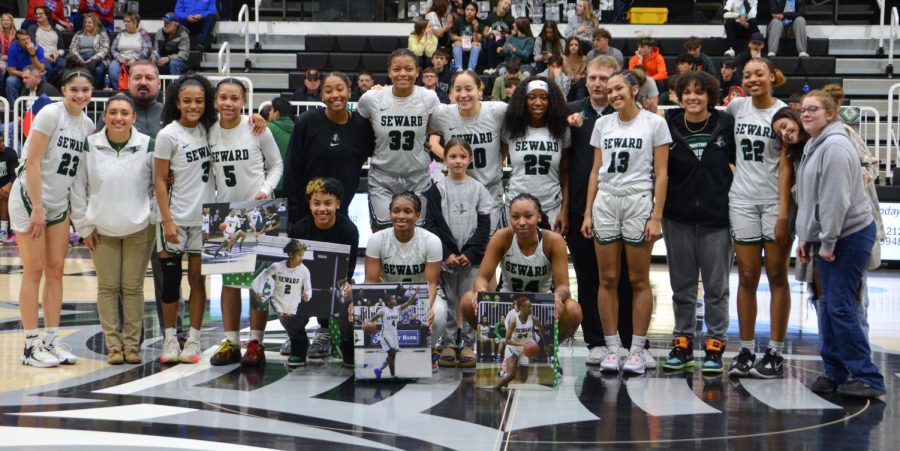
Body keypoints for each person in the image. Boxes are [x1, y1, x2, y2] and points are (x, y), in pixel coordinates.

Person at [795, 90, 886, 398]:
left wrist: (828, 242)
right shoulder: (813, 144)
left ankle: (868, 377)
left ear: (830, 114)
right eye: (803, 110)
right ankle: (835, 371)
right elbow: (810, 199)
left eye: (814, 110)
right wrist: (806, 236)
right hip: (827, 235)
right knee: (827, 306)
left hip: (847, 235)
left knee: (841, 306)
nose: (806, 114)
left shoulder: (834, 146)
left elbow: (835, 201)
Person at [582, 69, 671, 375]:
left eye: (618, 88)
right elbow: (595, 170)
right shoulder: (602, 124)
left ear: (635, 89)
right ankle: (611, 347)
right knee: (607, 278)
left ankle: (637, 349)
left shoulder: (655, 123)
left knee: (638, 279)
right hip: (606, 199)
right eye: (609, 91)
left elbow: (661, 173)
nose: (613, 95)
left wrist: (656, 215)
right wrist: (588, 212)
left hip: (638, 199)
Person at [12, 60, 95, 367]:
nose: (80, 95)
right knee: (33, 269)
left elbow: (75, 178)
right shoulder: (50, 114)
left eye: (85, 90)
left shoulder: (87, 125)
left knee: (56, 270)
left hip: (58, 205)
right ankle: (30, 345)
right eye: (74, 89)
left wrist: (78, 218)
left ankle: (51, 339)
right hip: (29, 200)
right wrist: (36, 208)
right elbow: (32, 162)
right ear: (63, 90)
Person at [69, 94, 155, 365]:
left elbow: (158, 185)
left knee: (132, 288)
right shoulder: (89, 145)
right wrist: (83, 226)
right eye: (113, 112)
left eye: (124, 113)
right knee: (107, 288)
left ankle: (131, 346)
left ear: (134, 118)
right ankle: (113, 347)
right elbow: (77, 188)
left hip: (139, 228)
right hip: (100, 229)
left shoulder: (147, 144)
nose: (119, 117)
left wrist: (151, 216)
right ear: (104, 116)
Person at [658, 72, 735, 374]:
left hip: (717, 217)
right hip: (677, 217)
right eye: (687, 92)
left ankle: (715, 347)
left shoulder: (726, 124)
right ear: (677, 95)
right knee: (682, 288)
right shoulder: (668, 125)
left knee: (717, 288)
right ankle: (683, 344)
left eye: (699, 92)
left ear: (710, 96)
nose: (693, 97)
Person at [566, 55, 638, 365]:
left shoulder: (625, 113)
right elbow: (563, 165)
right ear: (585, 79)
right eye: (593, 77)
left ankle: (623, 337)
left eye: (604, 79)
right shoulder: (571, 112)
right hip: (581, 208)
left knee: (621, 278)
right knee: (587, 277)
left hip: (619, 206)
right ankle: (595, 341)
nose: (598, 83)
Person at [208, 78, 283, 367]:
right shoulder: (209, 132)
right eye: (223, 97)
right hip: (224, 213)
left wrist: (264, 191)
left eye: (234, 98)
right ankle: (230, 342)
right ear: (216, 100)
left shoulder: (256, 128)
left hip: (260, 210)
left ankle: (256, 342)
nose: (228, 103)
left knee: (259, 282)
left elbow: (277, 164)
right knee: (227, 284)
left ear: (244, 100)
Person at [725, 58, 791, 379]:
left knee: (777, 275)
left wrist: (783, 211)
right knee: (747, 276)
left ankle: (776, 352)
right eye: (747, 74)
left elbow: (788, 165)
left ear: (771, 78)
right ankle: (746, 349)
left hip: (774, 202)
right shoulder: (736, 108)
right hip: (741, 200)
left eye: (758, 74)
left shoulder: (785, 112)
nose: (752, 79)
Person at [460, 194, 583, 344]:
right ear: (509, 218)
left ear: (538, 217)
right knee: (467, 300)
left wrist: (557, 296)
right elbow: (482, 278)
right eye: (515, 217)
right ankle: (493, 343)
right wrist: (480, 292)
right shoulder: (502, 237)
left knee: (573, 310)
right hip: (507, 304)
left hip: (541, 306)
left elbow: (563, 286)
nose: (522, 222)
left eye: (528, 216)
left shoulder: (553, 241)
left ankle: (549, 349)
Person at [154, 74, 217, 364]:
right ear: (177, 103)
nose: (193, 106)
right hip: (174, 217)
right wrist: (166, 220)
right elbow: (158, 180)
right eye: (187, 101)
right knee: (170, 282)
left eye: (199, 101)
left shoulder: (211, 130)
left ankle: (193, 338)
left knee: (197, 281)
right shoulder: (168, 134)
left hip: (205, 218)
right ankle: (169, 338)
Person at [423, 138, 494, 367]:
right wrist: (446, 253)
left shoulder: (479, 189)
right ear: (444, 159)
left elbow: (484, 226)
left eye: (463, 156)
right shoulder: (436, 190)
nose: (458, 161)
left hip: (470, 260)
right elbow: (432, 225)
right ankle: (448, 344)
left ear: (470, 159)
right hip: (447, 259)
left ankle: (468, 345)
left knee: (469, 300)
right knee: (450, 300)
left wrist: (472, 253)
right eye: (453, 156)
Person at [357, 49, 441, 231]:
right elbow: (360, 128)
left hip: (417, 177)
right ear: (389, 72)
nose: (403, 73)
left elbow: (437, 129)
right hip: (383, 177)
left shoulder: (429, 98)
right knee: (383, 233)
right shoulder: (371, 99)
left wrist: (431, 143)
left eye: (409, 69)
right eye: (397, 69)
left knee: (417, 234)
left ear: (417, 72)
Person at [364, 192, 442, 372]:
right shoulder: (377, 240)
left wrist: (426, 309)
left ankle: (428, 351)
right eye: (396, 211)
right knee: (365, 316)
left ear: (417, 215)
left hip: (420, 296)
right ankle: (376, 357)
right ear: (389, 213)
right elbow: (371, 280)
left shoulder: (431, 241)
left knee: (436, 313)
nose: (401, 216)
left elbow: (431, 284)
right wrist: (365, 307)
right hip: (387, 297)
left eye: (408, 211)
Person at [287, 72, 374, 225]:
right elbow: (292, 168)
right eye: (328, 91)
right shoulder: (307, 122)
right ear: (322, 95)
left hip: (340, 211)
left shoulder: (361, 125)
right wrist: (293, 212)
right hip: (306, 211)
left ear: (349, 91)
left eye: (340, 89)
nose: (335, 95)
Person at [288, 178, 359, 365]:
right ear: (310, 205)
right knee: (281, 297)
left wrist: (346, 286)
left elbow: (348, 272)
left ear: (338, 204)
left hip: (335, 286)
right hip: (306, 287)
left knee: (351, 298)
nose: (322, 209)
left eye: (328, 203)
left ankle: (348, 343)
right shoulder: (299, 229)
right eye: (316, 203)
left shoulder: (349, 230)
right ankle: (298, 342)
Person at [429, 70, 507, 230]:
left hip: (489, 189)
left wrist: (498, 160)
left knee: (487, 245)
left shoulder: (497, 111)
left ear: (480, 90)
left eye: (469, 89)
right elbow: (425, 131)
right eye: (458, 89)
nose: (463, 94)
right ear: (452, 92)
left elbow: (508, 141)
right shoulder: (443, 114)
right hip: (457, 191)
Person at [502, 77, 570, 232]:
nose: (538, 102)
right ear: (523, 101)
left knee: (548, 254)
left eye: (544, 97)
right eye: (532, 97)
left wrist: (564, 210)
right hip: (516, 204)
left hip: (551, 205)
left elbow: (565, 174)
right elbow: (498, 159)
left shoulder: (561, 129)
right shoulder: (511, 128)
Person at [252, 239, 312, 367]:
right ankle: (297, 343)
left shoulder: (304, 270)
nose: (302, 258)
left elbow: (308, 288)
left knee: (294, 319)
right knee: (286, 318)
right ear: (290, 254)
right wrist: (259, 291)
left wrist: (308, 295)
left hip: (294, 302)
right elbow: (263, 276)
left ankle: (303, 341)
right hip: (279, 301)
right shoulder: (277, 266)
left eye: (303, 255)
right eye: (299, 255)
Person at [365, 287, 421, 379]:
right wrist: (366, 324)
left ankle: (378, 370)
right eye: (393, 299)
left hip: (394, 335)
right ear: (388, 301)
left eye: (395, 298)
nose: (395, 300)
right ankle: (393, 375)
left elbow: (408, 303)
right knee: (392, 354)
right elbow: (373, 319)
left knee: (392, 355)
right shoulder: (382, 310)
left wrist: (415, 294)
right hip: (385, 335)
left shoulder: (397, 309)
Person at [495, 296, 548, 389]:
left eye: (531, 306)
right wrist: (522, 344)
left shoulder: (534, 319)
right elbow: (507, 341)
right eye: (529, 306)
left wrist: (546, 344)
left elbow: (543, 332)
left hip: (524, 349)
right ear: (521, 308)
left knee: (523, 379)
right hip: (513, 348)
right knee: (512, 375)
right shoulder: (514, 321)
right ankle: (494, 388)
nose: (531, 308)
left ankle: (503, 373)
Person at [108, 12, 153, 91]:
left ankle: (134, 92)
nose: (125, 23)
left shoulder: (142, 33)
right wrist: (119, 58)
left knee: (137, 69)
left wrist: (135, 59)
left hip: (137, 60)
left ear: (135, 22)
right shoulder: (121, 33)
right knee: (113, 67)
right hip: (121, 60)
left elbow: (147, 49)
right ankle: (119, 92)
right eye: (124, 21)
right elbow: (113, 48)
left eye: (128, 21)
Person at [68, 13, 110, 89]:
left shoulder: (101, 34)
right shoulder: (78, 34)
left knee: (99, 70)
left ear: (95, 23)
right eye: (85, 22)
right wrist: (79, 58)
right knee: (87, 59)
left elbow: (105, 49)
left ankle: (92, 88)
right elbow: (72, 48)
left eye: (90, 22)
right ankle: (86, 87)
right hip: (80, 58)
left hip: (97, 59)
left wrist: (92, 59)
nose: (87, 24)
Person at [6, 30, 47, 105]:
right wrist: (26, 75)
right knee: (10, 81)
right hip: (20, 76)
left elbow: (41, 69)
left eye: (28, 38)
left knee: (43, 79)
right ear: (18, 42)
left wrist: (33, 54)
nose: (27, 41)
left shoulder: (38, 48)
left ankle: (39, 107)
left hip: (35, 75)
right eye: (23, 40)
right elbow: (10, 71)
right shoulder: (13, 49)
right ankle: (14, 110)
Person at [26, 6, 65, 84]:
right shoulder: (32, 28)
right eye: (36, 14)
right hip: (41, 56)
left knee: (63, 65)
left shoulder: (56, 30)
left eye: (40, 13)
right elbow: (33, 45)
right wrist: (44, 56)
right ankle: (50, 86)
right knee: (47, 67)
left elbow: (61, 48)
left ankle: (50, 84)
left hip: (55, 56)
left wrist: (56, 55)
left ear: (47, 15)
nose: (38, 15)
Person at [266, 96, 295, 198]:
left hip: (274, 182)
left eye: (271, 110)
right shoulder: (297, 127)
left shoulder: (269, 128)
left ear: (277, 113)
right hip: (293, 182)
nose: (269, 113)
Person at [449, 2, 481, 72]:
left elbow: (477, 40)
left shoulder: (479, 22)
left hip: (473, 44)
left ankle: (471, 69)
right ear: (464, 11)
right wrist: (460, 39)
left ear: (476, 12)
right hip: (461, 43)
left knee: (476, 45)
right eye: (467, 9)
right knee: (456, 44)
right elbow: (452, 36)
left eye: (472, 10)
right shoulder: (459, 21)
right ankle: (459, 68)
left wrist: (475, 30)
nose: (469, 12)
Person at [482, 0, 514, 70]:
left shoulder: (510, 18)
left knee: (500, 42)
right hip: (492, 39)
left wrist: (508, 36)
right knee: (491, 43)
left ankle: (498, 68)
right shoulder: (491, 16)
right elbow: (484, 34)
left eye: (509, 5)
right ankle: (491, 68)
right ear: (500, 2)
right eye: (505, 3)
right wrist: (491, 32)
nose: (507, 6)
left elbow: (514, 34)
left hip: (505, 40)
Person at [0, 134, 19, 243]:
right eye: (0, 142)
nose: (2, 144)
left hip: (10, 187)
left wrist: (8, 185)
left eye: (3, 141)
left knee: (4, 193)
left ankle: (3, 230)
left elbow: (15, 174)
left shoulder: (10, 153)